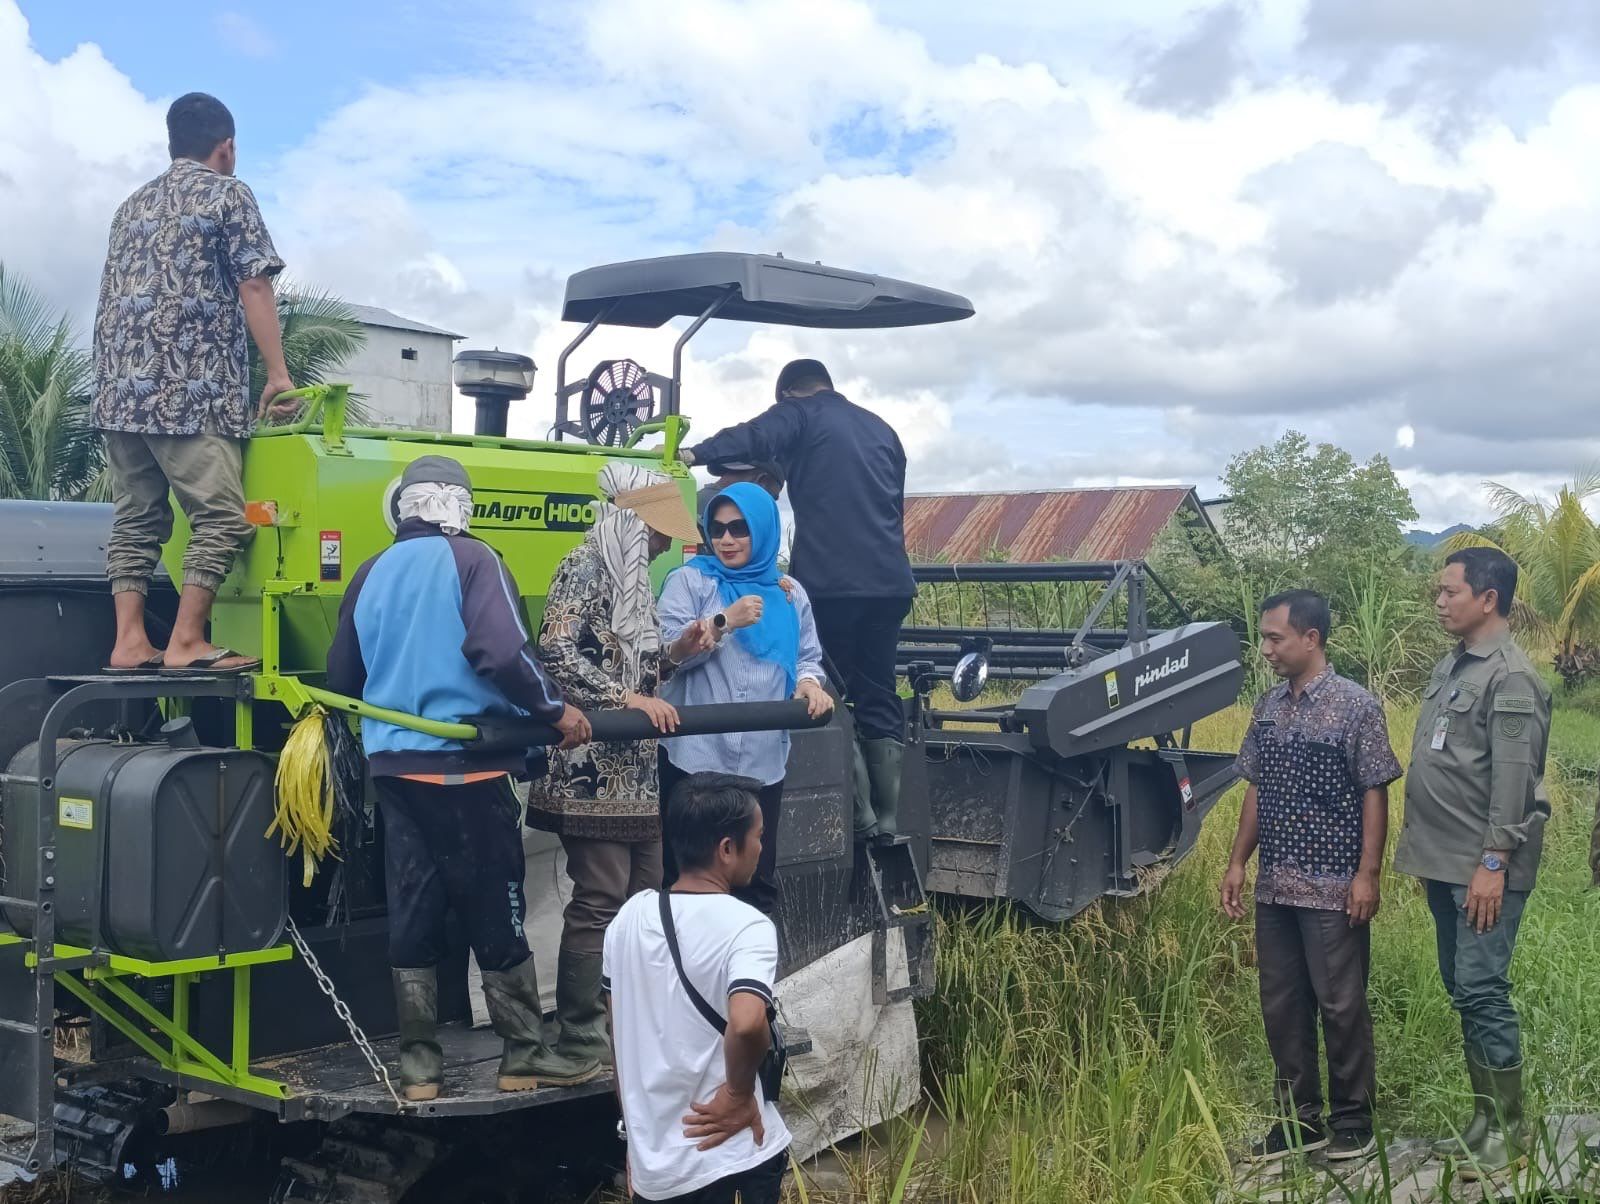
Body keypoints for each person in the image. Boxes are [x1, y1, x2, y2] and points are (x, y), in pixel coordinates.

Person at [326, 455, 597, 1100]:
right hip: (467, 768)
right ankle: (524, 1054)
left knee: (412, 905)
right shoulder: (475, 560)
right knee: (494, 905)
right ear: (457, 504)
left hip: (394, 769)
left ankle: (419, 1065)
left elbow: (342, 676)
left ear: (404, 507)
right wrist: (556, 710)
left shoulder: (370, 571)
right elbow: (501, 651)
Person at [93, 92, 298, 674]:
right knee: (223, 517)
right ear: (226, 146)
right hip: (190, 391)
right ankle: (187, 641)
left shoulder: (130, 206)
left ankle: (129, 642)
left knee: (136, 518)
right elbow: (254, 286)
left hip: (117, 390)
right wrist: (278, 376)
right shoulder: (228, 193)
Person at [528, 464, 713, 1066]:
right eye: (657, 534)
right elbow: (554, 649)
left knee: (644, 894)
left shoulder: (631, 580)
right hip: (589, 768)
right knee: (602, 895)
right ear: (631, 521)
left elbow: (636, 661)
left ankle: (628, 1024)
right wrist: (624, 699)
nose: (662, 545)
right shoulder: (584, 565)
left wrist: (678, 653)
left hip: (635, 769)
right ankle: (581, 1032)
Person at [682, 360, 912, 839]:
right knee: (878, 687)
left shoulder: (802, 413)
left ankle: (860, 816)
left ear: (789, 393)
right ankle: (890, 820)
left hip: (830, 582)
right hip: (890, 582)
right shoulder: (883, 430)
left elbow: (754, 437)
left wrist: (694, 453)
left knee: (821, 680)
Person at [1220, 590, 1401, 1164]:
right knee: (1282, 1004)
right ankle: (1299, 1122)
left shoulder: (1356, 707)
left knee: (1341, 1004)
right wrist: (1237, 861)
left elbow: (1375, 789)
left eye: (1275, 637)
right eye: (1264, 637)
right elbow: (1256, 786)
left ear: (1311, 639)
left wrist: (1367, 874)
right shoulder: (1268, 706)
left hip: (1332, 887)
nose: (1265, 648)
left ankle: (1353, 1120)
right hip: (1276, 885)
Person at [1395, 547, 1550, 1176]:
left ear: (1488, 598)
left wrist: (1494, 861)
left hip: (1482, 866)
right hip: (1445, 860)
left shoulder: (1509, 676)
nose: (1439, 601)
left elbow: (1514, 780)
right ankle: (1484, 1121)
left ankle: (1509, 1134)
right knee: (1464, 990)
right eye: (1439, 591)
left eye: (1449, 591)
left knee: (1483, 990)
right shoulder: (1455, 665)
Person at [604, 772, 791, 1204]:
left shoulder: (628, 919)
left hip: (656, 1168)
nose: (762, 849)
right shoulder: (747, 925)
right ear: (727, 849)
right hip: (728, 1157)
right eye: (759, 837)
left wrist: (633, 1131)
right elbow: (746, 1023)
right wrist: (739, 1093)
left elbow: (619, 1039)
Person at [658, 483, 833, 914]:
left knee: (755, 885)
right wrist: (722, 623)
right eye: (717, 529)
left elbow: (807, 656)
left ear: (763, 529)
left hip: (761, 763)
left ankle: (748, 979)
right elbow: (664, 657)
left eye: (739, 528)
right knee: (685, 884)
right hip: (695, 760)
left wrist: (809, 684)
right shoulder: (690, 581)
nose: (726, 540)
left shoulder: (789, 592)